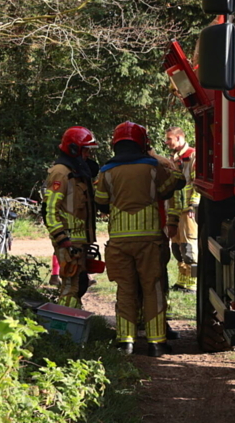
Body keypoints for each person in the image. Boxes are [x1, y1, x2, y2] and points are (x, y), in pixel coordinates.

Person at [95, 121, 185, 356]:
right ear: (143, 143)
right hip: (150, 240)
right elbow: (174, 185)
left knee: (125, 289)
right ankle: (156, 343)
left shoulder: (106, 171)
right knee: (153, 289)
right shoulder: (153, 167)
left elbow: (101, 202)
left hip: (119, 242)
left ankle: (126, 341)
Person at [44, 126, 100, 308]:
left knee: (80, 283)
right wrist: (61, 238)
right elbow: (49, 209)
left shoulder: (78, 173)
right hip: (68, 241)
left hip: (79, 241)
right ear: (74, 149)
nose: (88, 155)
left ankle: (74, 314)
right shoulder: (61, 173)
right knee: (71, 285)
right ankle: (66, 320)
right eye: (85, 151)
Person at [164, 126, 199, 291]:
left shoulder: (192, 156)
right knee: (177, 247)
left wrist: (193, 205)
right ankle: (182, 281)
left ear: (179, 137)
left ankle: (192, 283)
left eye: (169, 139)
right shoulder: (174, 158)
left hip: (187, 210)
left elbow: (196, 182)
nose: (166, 142)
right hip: (175, 210)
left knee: (188, 246)